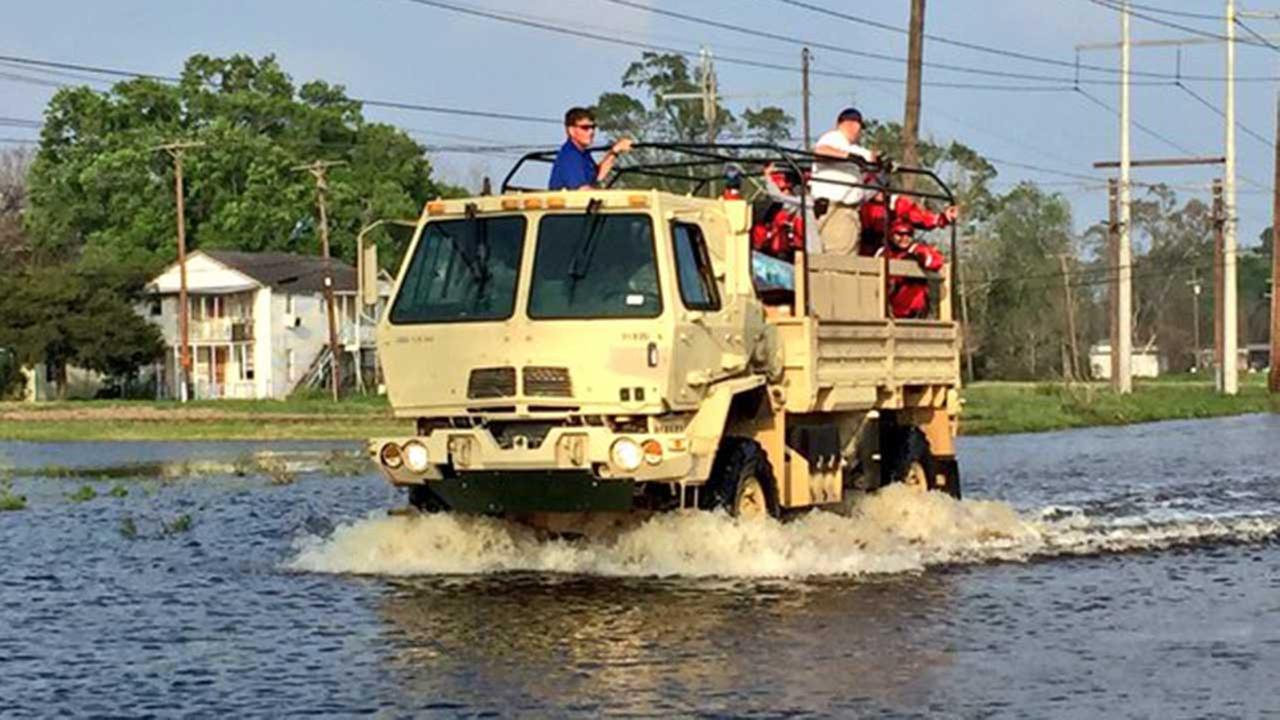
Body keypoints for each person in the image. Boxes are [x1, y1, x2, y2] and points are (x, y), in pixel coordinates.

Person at [811, 107, 876, 255]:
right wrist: (847, 156)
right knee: (840, 259)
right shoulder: (835, 138)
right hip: (838, 209)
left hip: (840, 210)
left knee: (841, 254)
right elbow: (821, 151)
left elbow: (870, 156)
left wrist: (880, 160)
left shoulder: (852, 148)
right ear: (855, 125)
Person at [859, 171, 958, 257]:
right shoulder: (856, 206)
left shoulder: (895, 204)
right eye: (875, 187)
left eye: (882, 186)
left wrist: (942, 218)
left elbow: (917, 216)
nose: (880, 191)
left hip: (889, 254)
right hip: (862, 254)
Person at [548, 107, 633, 190]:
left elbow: (598, 175)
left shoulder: (583, 154)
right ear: (571, 131)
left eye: (593, 127)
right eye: (585, 128)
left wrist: (615, 150)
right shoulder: (570, 156)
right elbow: (583, 192)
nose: (591, 132)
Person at [876, 220, 945, 319]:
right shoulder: (883, 252)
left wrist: (921, 258)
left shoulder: (917, 249)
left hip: (915, 310)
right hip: (890, 309)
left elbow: (937, 260)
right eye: (900, 234)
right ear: (891, 235)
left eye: (908, 234)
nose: (904, 238)